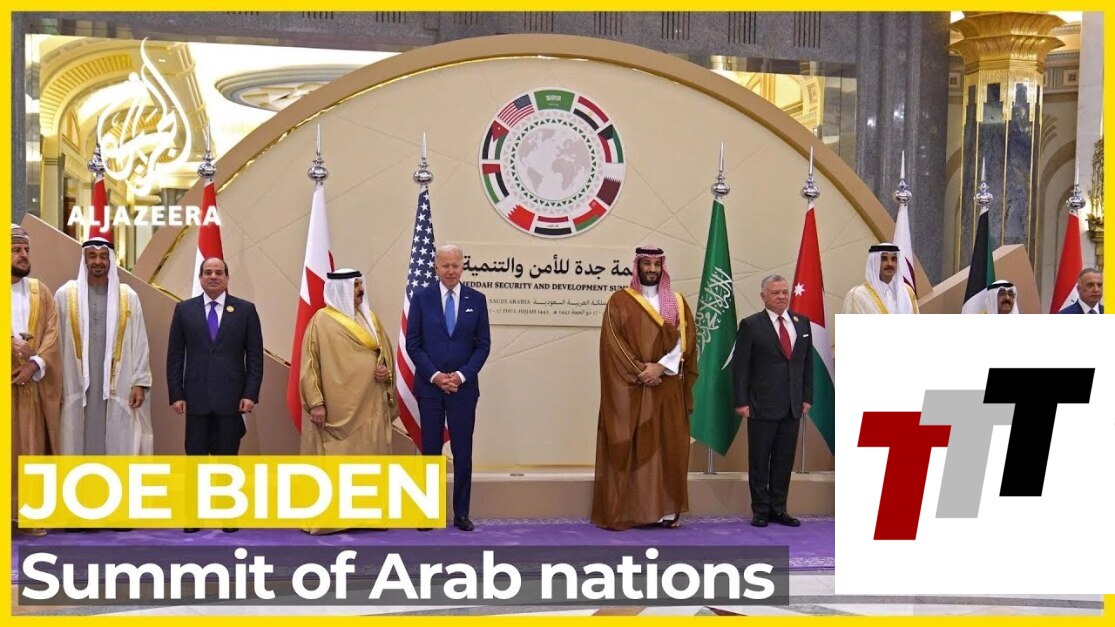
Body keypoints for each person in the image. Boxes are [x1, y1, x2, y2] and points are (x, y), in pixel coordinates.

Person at [591, 246, 698, 531]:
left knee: (668, 446)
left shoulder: (677, 302)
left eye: (656, 264)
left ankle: (666, 511)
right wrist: (642, 370)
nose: (652, 269)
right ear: (637, 267)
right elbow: (613, 344)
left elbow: (686, 341)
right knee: (636, 449)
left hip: (667, 388)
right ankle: (634, 511)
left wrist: (660, 368)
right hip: (634, 390)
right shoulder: (620, 301)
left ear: (663, 268)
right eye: (647, 264)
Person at [166, 257, 263, 533]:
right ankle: (194, 516)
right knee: (195, 460)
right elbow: (175, 356)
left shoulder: (245, 310)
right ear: (200, 278)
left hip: (231, 400)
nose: (213, 276)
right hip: (195, 398)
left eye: (218, 272)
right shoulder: (184, 310)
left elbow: (254, 357)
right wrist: (176, 393)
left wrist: (250, 394)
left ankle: (228, 515)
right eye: (207, 272)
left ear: (227, 278)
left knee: (228, 458)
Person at [299, 269, 396, 534]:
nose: (360, 290)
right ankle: (331, 519)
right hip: (336, 408)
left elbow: (385, 354)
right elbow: (309, 366)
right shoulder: (321, 322)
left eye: (361, 284)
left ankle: (368, 516)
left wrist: (385, 372)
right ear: (341, 289)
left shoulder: (370, 318)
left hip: (370, 406)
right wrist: (316, 402)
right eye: (355, 286)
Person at [406, 244, 491, 532]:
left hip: (463, 390)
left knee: (463, 452)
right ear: (436, 267)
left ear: (462, 266)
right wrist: (435, 376)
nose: (451, 271)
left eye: (456, 265)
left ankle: (461, 513)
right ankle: (428, 512)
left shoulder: (477, 300)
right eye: (446, 266)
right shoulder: (421, 298)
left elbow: (483, 346)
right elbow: (413, 344)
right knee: (430, 450)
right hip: (430, 389)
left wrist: (461, 376)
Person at [55, 238, 153, 459]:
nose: (98, 261)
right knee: (75, 436)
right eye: (92, 256)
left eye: (103, 256)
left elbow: (140, 342)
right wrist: (56, 383)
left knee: (118, 438)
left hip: (118, 384)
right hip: (75, 383)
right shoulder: (65, 295)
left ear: (111, 260)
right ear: (84, 260)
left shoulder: (128, 296)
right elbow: (55, 342)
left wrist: (139, 382)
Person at [733, 274, 813, 528]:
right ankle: (760, 510)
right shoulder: (751, 325)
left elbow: (807, 363)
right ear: (763, 296)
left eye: (784, 292)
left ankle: (779, 509)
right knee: (759, 460)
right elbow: (741, 367)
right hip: (761, 404)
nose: (781, 297)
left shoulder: (802, 323)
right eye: (775, 293)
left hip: (792, 405)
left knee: (783, 460)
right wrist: (741, 401)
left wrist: (807, 396)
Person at [10, 224, 62, 537]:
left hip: (30, 386)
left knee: (29, 449)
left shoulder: (40, 292)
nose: (24, 255)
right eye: (16, 250)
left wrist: (34, 364)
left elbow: (52, 335)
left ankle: (29, 514)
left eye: (26, 250)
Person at [842, 243, 919, 314]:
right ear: (874, 262)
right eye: (884, 259)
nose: (890, 264)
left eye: (893, 259)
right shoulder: (857, 295)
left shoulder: (907, 291)